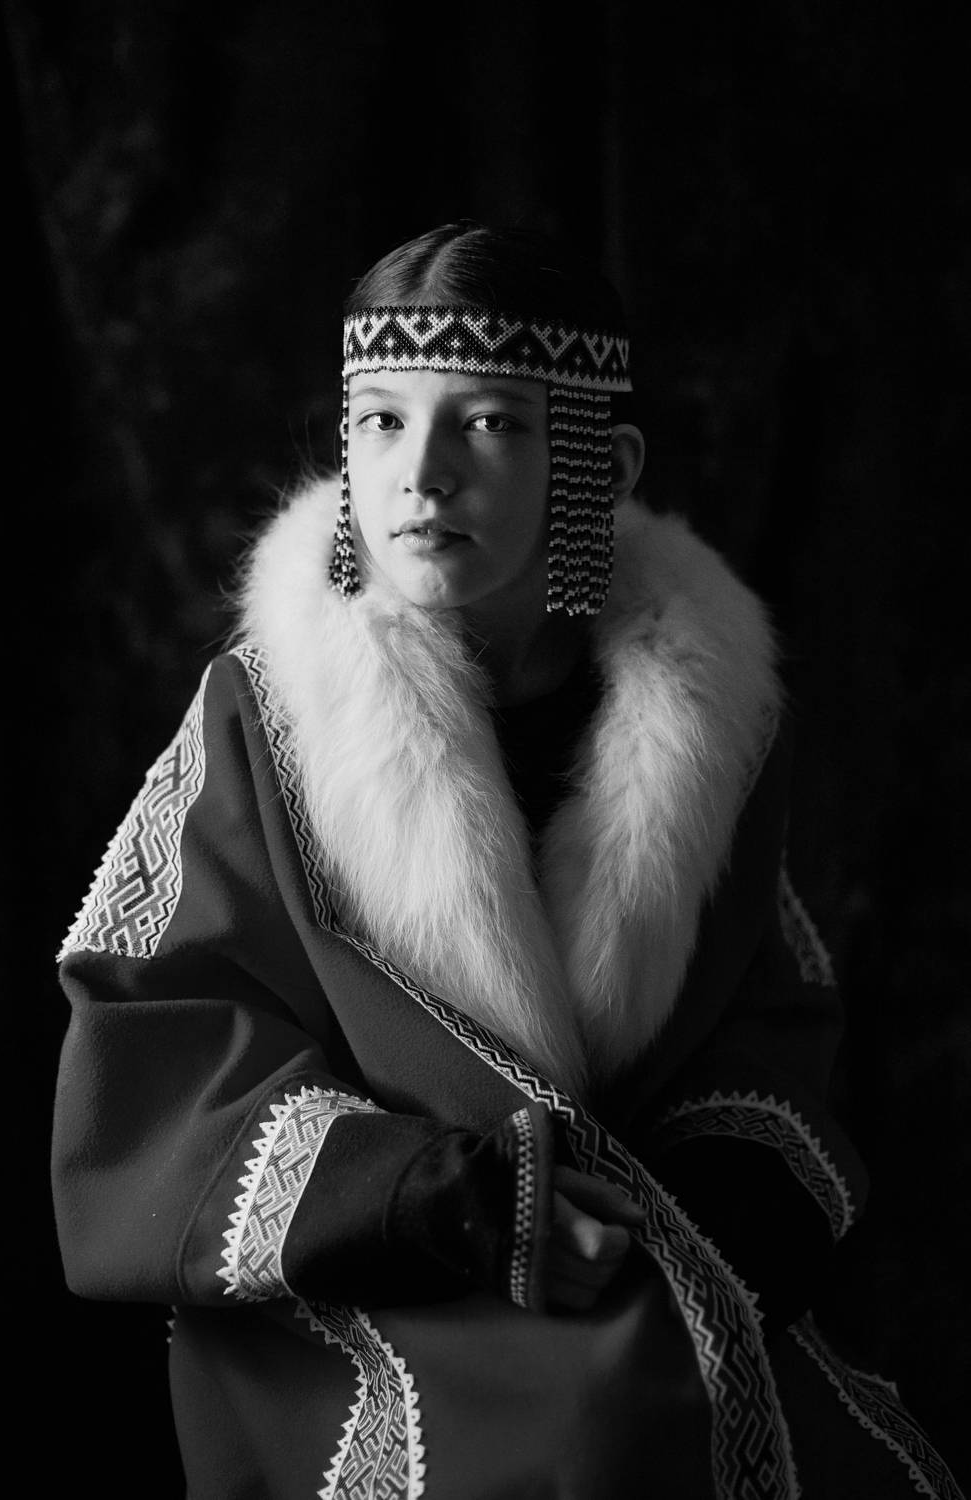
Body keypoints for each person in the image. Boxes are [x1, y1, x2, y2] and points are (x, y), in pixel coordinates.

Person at [52, 221, 964, 1499]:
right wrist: (457, 1202)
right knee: (590, 1427)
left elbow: (765, 1014)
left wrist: (701, 1221)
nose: (421, 475)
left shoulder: (713, 729)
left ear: (600, 461)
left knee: (682, 1404)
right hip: (377, 1275)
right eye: (381, 422)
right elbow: (163, 1040)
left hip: (646, 1254)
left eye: (486, 425)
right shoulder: (267, 716)